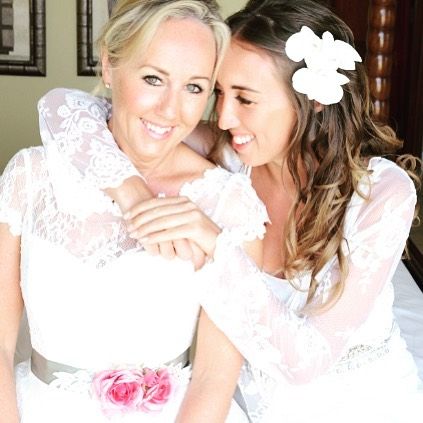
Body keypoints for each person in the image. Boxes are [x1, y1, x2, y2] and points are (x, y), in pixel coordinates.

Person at [36, 0, 423, 422]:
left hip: (365, 408)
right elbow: (65, 109)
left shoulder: (381, 193)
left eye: (245, 98)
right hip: (246, 408)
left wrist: (218, 248)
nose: (222, 118)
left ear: (312, 100)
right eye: (219, 93)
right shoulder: (232, 159)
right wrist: (132, 194)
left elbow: (304, 361)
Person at [0, 1, 270, 422]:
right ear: (109, 66)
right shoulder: (30, 174)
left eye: (194, 88)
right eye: (152, 78)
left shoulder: (228, 204)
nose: (170, 109)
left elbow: (214, 377)